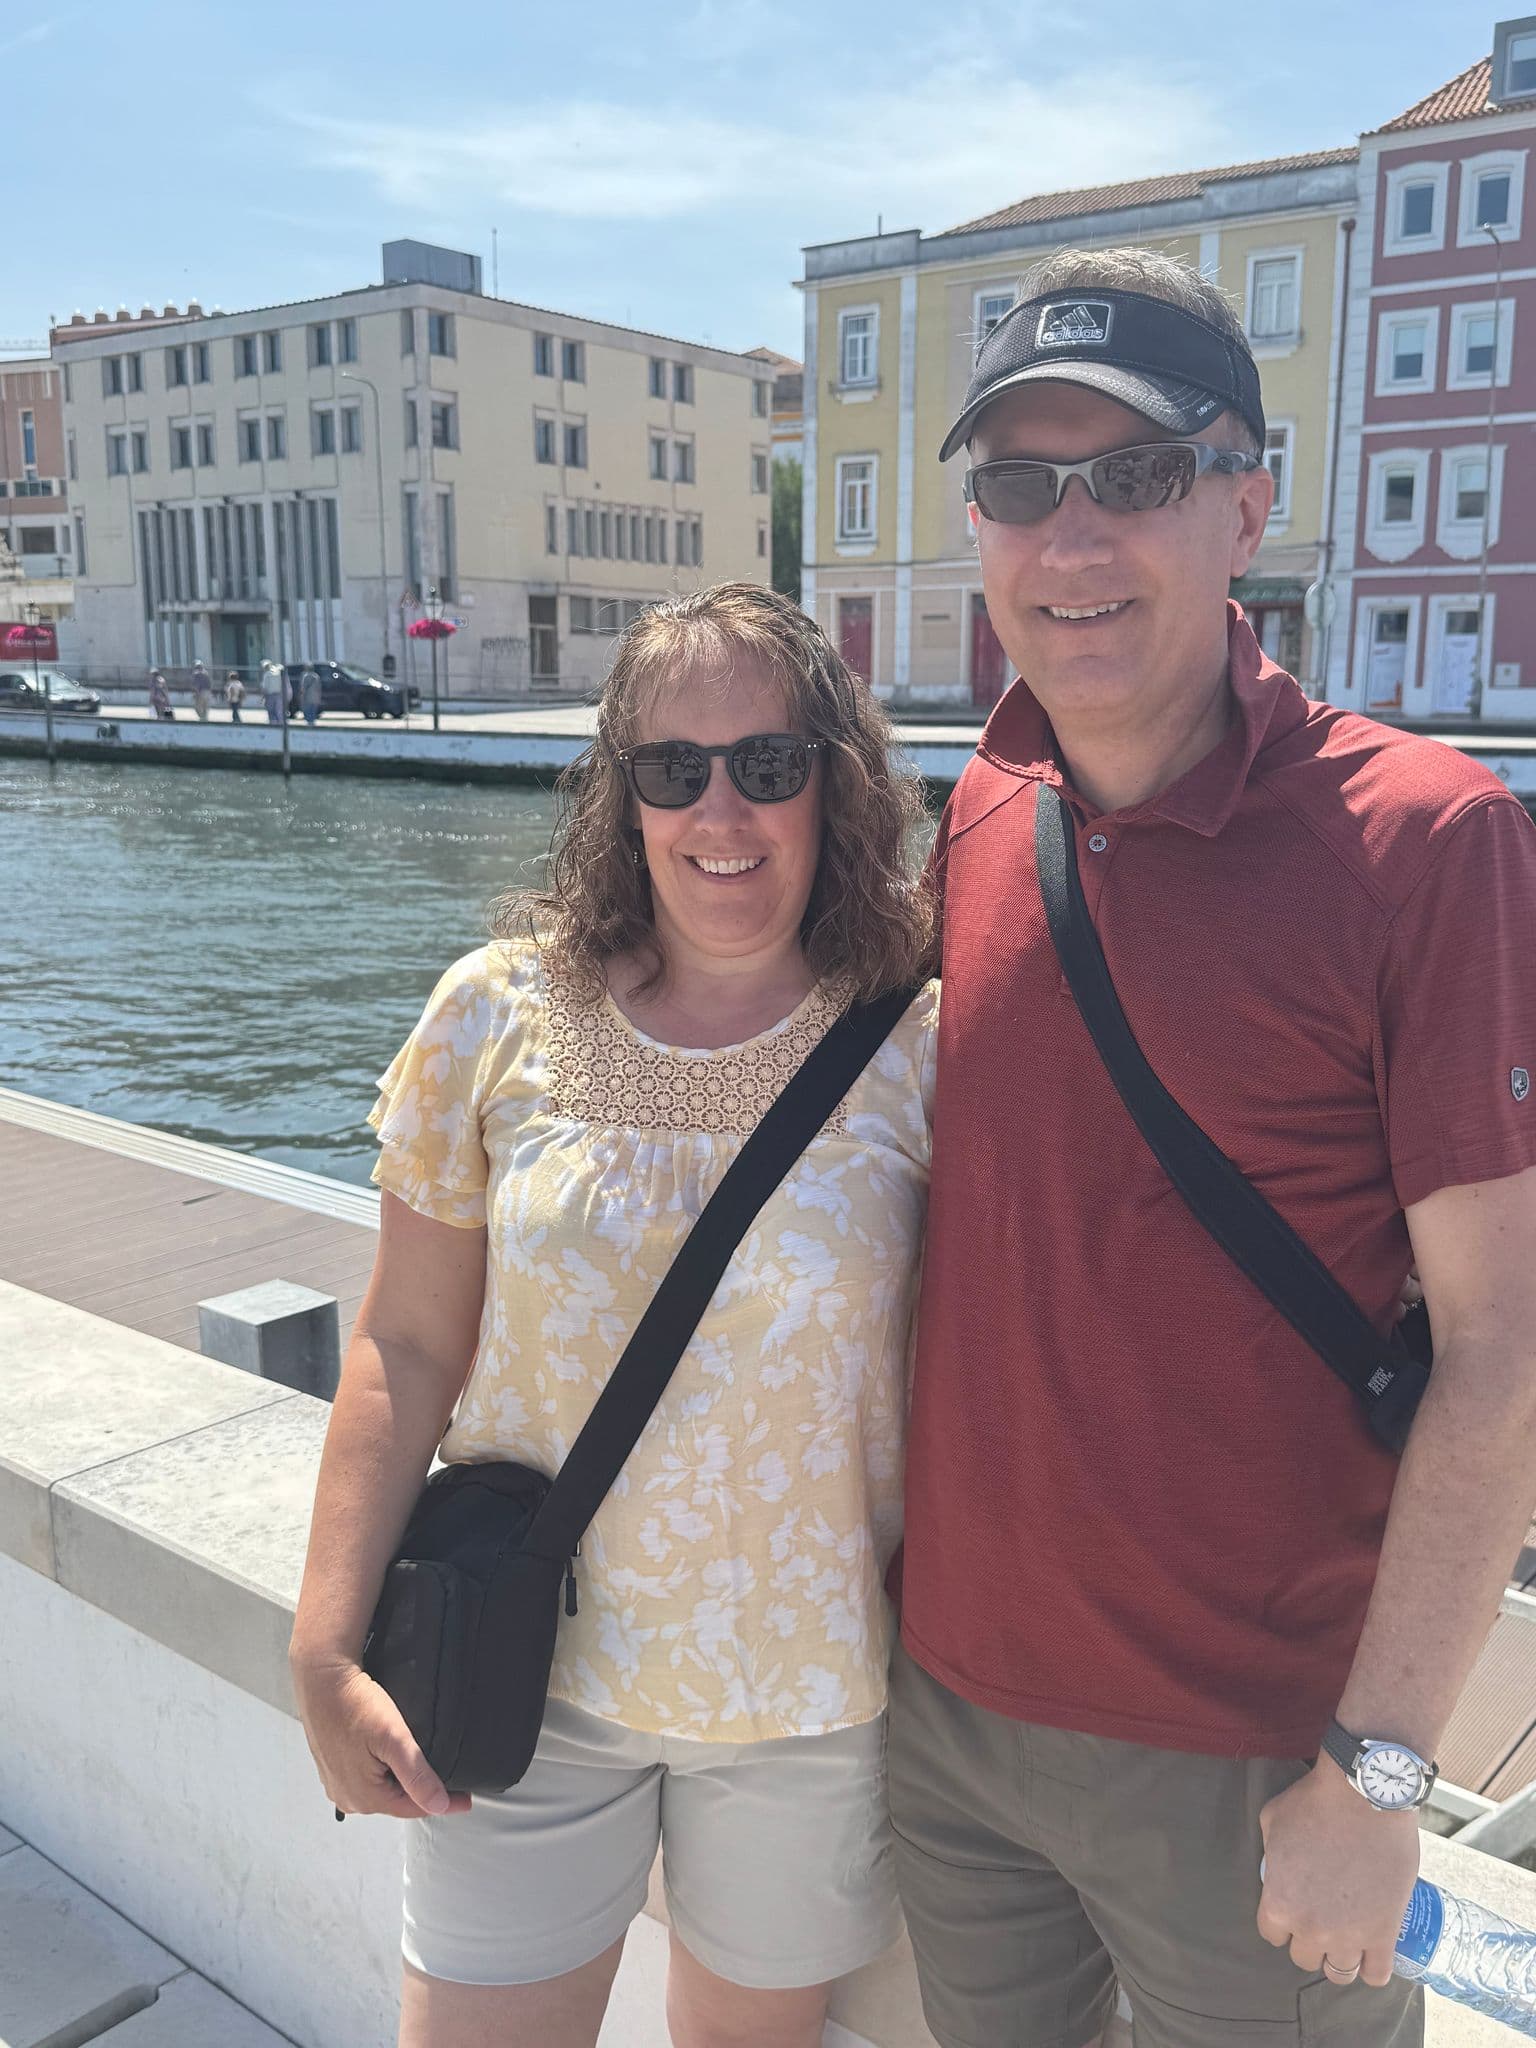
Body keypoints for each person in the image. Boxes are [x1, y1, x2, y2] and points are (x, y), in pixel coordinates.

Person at [889, 244, 1536, 2048]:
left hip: (1253, 1764)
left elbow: (1503, 1348)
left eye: (1138, 475)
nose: (1070, 538)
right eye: (1021, 484)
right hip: (945, 1716)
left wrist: (1381, 1775)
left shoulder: (1427, 839)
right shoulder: (983, 801)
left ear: (1248, 501)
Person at [289, 583, 938, 2048]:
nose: (723, 808)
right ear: (623, 793)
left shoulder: (918, 1046)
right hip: (522, 1667)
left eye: (770, 764)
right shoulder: (494, 1015)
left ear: (831, 784)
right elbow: (407, 1347)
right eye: (675, 768)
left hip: (808, 1697)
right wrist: (323, 1649)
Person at [261, 660, 286, 726]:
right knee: (279, 710)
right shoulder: (278, 673)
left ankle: (273, 723)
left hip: (270, 695)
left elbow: (265, 687)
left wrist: (263, 697)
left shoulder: (266, 675)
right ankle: (280, 723)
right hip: (279, 694)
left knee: (271, 710)